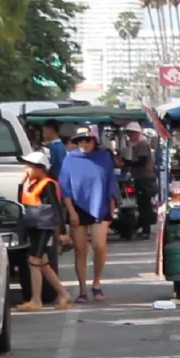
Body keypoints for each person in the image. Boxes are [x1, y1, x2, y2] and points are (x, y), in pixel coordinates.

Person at [59, 126, 116, 303]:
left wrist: (112, 209)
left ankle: (96, 283)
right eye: (80, 140)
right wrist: (71, 212)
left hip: (100, 205)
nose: (83, 143)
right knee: (80, 250)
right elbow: (65, 188)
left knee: (99, 246)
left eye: (87, 140)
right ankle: (83, 289)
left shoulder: (104, 158)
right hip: (77, 208)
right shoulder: (70, 159)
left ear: (94, 141)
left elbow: (110, 184)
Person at [16, 151, 72, 311]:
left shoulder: (48, 183)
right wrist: (22, 183)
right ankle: (64, 294)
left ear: (40, 168)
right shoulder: (32, 184)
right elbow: (21, 201)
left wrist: (61, 231)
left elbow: (56, 206)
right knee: (43, 265)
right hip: (33, 226)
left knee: (34, 261)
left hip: (43, 227)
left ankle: (36, 300)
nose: (26, 169)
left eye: (29, 166)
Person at [116, 121, 155, 239]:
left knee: (145, 206)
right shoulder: (133, 145)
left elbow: (141, 162)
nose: (130, 135)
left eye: (132, 133)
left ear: (137, 133)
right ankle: (139, 228)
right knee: (142, 204)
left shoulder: (142, 145)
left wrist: (125, 163)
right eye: (128, 133)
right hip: (139, 177)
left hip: (145, 178)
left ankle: (145, 231)